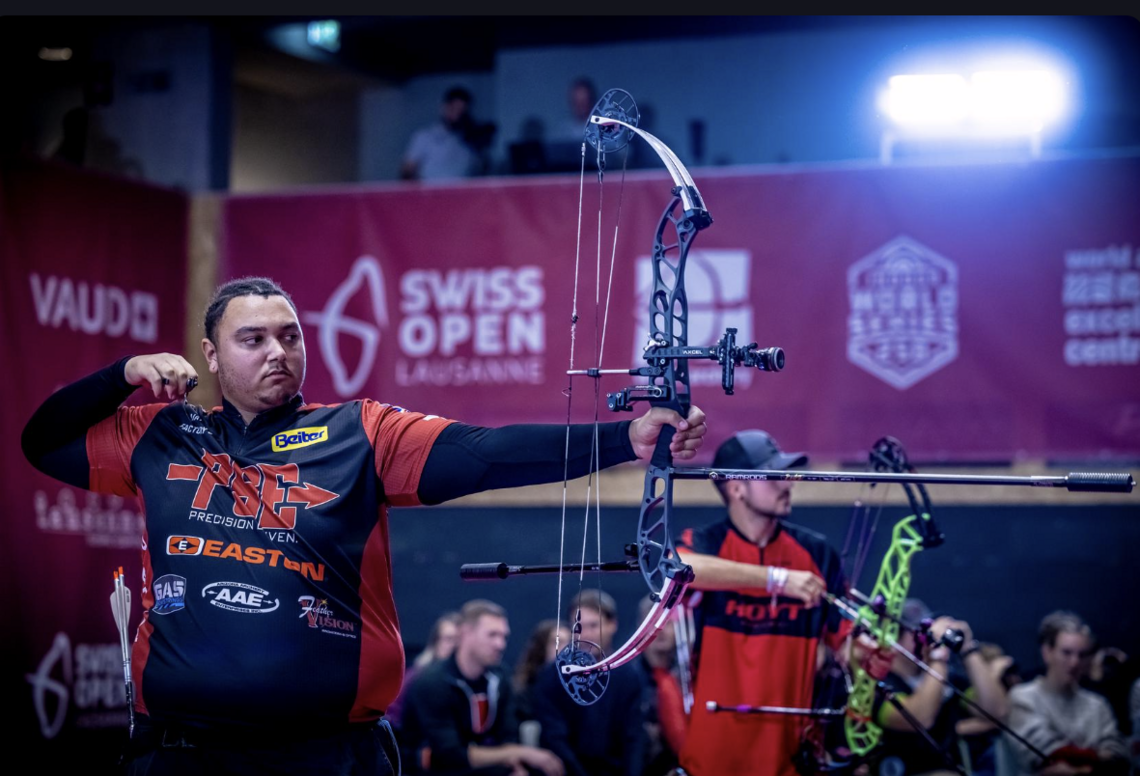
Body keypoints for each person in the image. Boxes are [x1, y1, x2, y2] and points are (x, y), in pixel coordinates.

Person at [19, 276, 708, 775]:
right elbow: (41, 442)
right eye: (252, 339)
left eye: (289, 336)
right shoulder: (159, 434)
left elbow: (484, 454)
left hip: (329, 756)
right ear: (210, 354)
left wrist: (628, 439)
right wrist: (123, 373)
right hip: (179, 755)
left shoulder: (358, 433)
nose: (276, 352)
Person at [673, 429, 852, 776]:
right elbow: (681, 569)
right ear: (737, 487)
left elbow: (847, 644)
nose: (788, 484)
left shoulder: (817, 553)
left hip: (790, 759)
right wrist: (778, 580)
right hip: (713, 759)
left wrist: (872, 653)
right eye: (774, 476)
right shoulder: (704, 541)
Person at [399, 599, 563, 776]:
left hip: (478, 767)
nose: (500, 644)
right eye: (492, 635)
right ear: (465, 633)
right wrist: (522, 753)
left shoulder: (500, 677)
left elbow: (508, 736)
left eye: (504, 636)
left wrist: (516, 764)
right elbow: (450, 753)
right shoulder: (432, 682)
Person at [872, 599, 1011, 776]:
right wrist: (939, 655)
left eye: (929, 631)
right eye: (919, 632)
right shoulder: (878, 683)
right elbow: (920, 718)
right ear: (893, 637)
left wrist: (968, 649)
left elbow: (996, 711)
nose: (926, 638)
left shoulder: (945, 676)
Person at [530, 589, 646, 776]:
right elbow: (554, 738)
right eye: (579, 627)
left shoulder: (628, 676)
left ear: (612, 625)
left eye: (594, 625)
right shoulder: (551, 676)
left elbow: (633, 738)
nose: (586, 635)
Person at [1005, 611, 1129, 776]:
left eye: (1082, 654)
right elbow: (1046, 752)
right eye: (1066, 652)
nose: (1075, 662)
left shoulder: (1098, 705)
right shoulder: (1023, 697)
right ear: (1047, 652)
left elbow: (1118, 755)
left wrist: (1079, 769)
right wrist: (1097, 759)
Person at [388, 610, 463, 731]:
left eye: (458, 640)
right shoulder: (416, 676)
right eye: (449, 639)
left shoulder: (466, 681)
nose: (454, 645)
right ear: (435, 642)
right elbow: (394, 716)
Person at [400, 86, 489, 182]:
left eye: (461, 111)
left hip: (460, 194)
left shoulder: (470, 141)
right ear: (444, 107)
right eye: (453, 109)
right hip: (430, 194)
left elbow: (479, 172)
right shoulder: (424, 136)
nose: (456, 115)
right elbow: (407, 172)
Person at [512, 619, 571, 724]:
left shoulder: (579, 691)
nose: (566, 649)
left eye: (569, 643)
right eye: (557, 642)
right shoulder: (522, 692)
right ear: (541, 648)